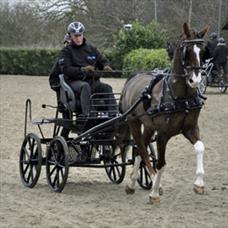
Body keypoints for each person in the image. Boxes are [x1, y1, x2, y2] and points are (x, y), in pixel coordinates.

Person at [59, 21, 117, 117]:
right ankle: (89, 115)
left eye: (80, 35)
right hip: (74, 83)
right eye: (75, 36)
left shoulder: (91, 49)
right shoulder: (66, 51)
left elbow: (102, 61)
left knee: (107, 87)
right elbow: (66, 70)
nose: (78, 38)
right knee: (85, 86)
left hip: (92, 81)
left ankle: (113, 115)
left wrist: (106, 66)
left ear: (83, 34)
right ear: (70, 36)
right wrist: (82, 69)